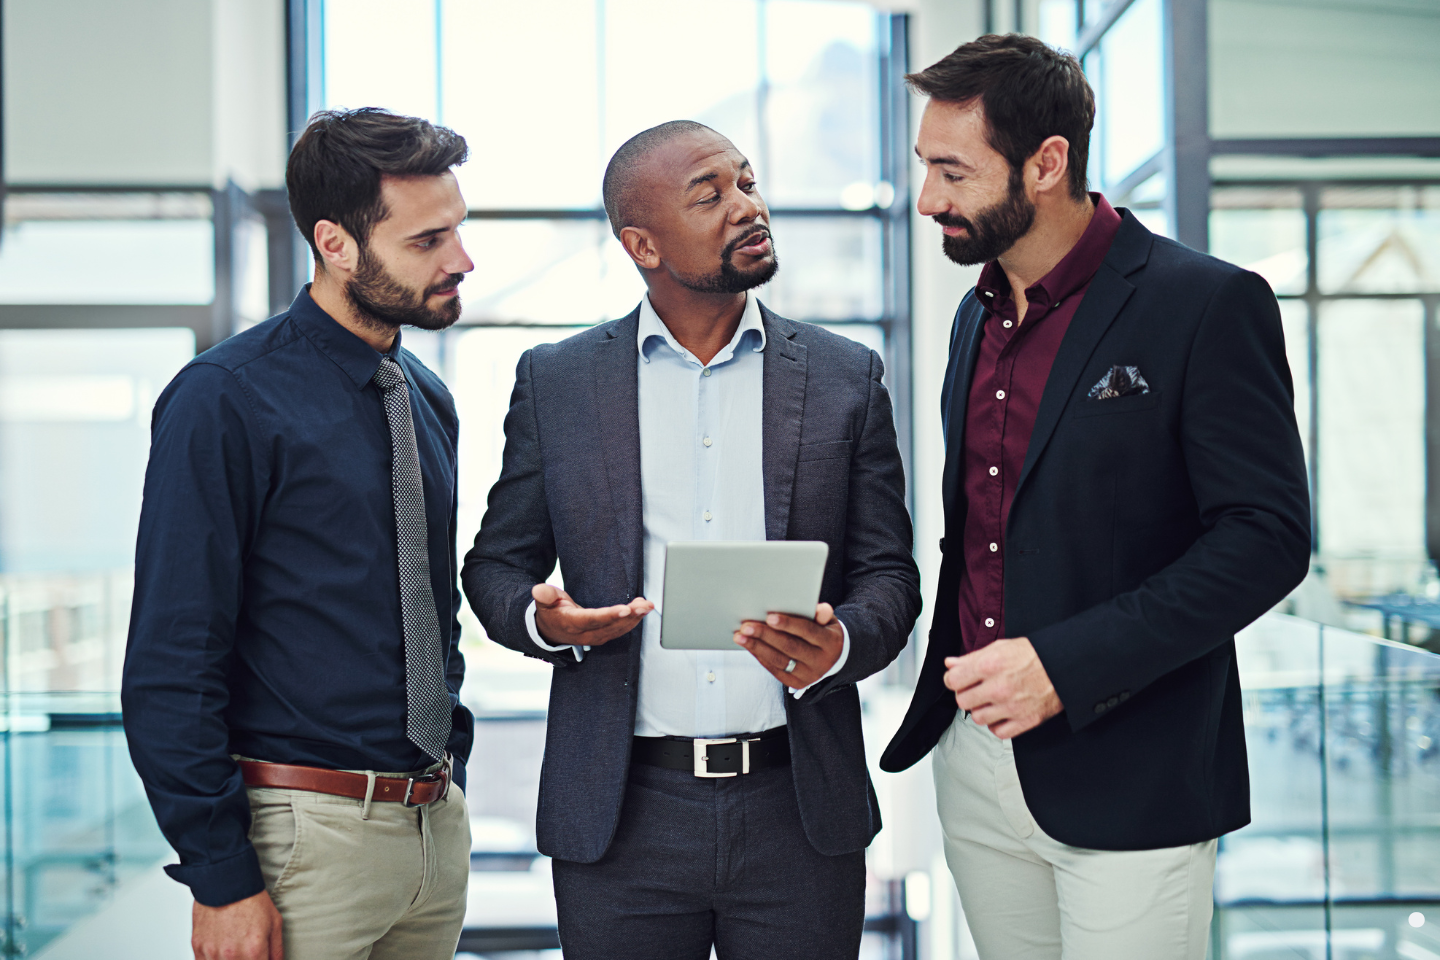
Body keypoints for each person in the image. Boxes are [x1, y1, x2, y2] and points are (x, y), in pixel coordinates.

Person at [880, 35, 1311, 960]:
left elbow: (1266, 539)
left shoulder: (1206, 303)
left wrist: (1065, 668)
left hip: (1134, 772)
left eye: (953, 172)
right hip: (975, 760)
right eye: (925, 167)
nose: (929, 200)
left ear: (1046, 163)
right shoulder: (975, 314)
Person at [463, 120, 921, 960]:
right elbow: (496, 564)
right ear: (641, 243)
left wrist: (843, 641)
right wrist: (543, 624)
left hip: (800, 809)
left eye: (746, 183)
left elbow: (890, 573)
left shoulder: (845, 376)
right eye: (708, 195)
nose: (747, 207)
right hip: (622, 818)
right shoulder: (558, 383)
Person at [122, 107, 477, 960]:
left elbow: (430, 610)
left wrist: (449, 769)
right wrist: (221, 874)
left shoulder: (423, 399)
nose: (461, 260)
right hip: (302, 841)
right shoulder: (223, 398)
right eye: (427, 241)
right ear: (336, 243)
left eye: (458, 230)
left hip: (431, 829)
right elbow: (173, 658)